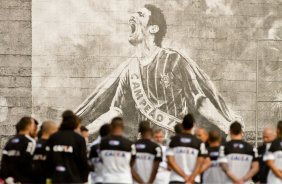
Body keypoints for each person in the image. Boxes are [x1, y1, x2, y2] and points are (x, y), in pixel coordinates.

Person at [76, 4, 242, 137]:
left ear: (153, 29)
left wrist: (227, 126)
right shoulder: (130, 69)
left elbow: (199, 101)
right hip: (146, 145)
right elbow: (116, 110)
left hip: (175, 143)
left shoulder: (174, 60)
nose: (133, 16)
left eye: (140, 15)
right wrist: (86, 131)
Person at [46, 110, 90, 183]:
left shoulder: (53, 137)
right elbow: (83, 161)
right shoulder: (79, 139)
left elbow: (49, 160)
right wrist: (84, 179)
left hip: (56, 179)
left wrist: (49, 178)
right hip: (73, 179)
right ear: (75, 124)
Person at [167, 113, 207, 184]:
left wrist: (184, 176)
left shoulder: (172, 140)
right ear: (193, 125)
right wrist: (191, 178)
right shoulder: (200, 143)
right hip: (194, 180)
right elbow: (200, 163)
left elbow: (171, 161)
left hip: (176, 179)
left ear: (183, 125)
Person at [99, 117, 136, 184]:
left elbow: (101, 160)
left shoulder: (102, 143)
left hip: (108, 180)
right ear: (123, 127)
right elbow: (133, 162)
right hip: (124, 180)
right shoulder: (130, 144)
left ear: (111, 127)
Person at [1, 117, 37, 183]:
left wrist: (6, 178)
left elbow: (4, 161)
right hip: (23, 180)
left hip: (9, 180)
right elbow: (26, 161)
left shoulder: (10, 141)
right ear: (29, 126)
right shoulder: (30, 141)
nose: (34, 129)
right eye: (33, 126)